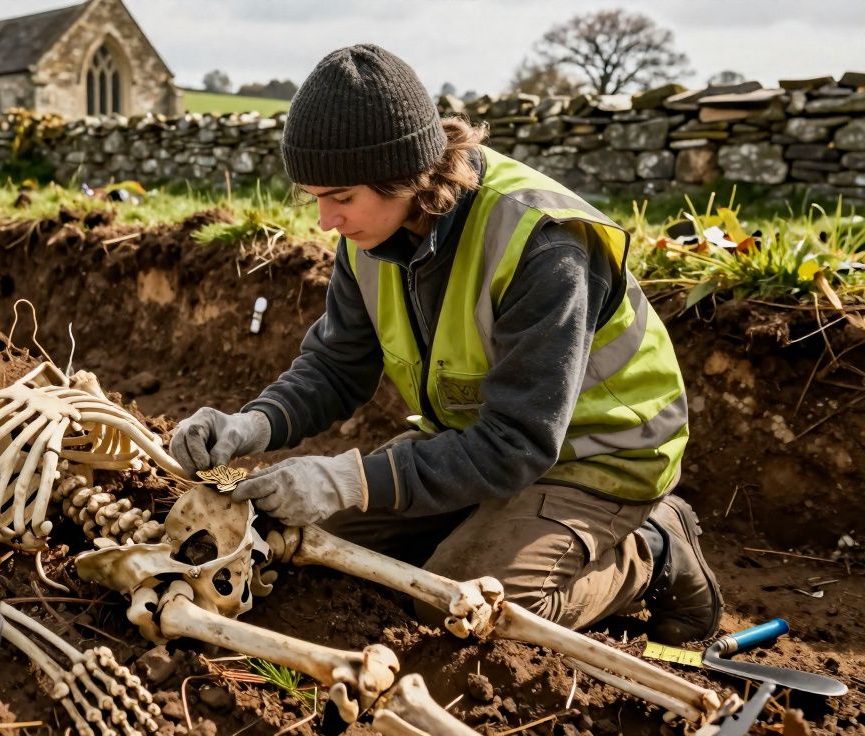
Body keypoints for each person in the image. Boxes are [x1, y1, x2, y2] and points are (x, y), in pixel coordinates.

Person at [170, 44, 721, 645]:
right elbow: (335, 366)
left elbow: (519, 443)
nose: (326, 220)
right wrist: (253, 426)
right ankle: (479, 529)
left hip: (598, 457)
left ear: (403, 176)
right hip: (474, 443)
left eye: (341, 198)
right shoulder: (369, 235)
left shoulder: (543, 244)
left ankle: (655, 549)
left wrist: (345, 481)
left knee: (459, 607)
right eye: (314, 197)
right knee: (308, 546)